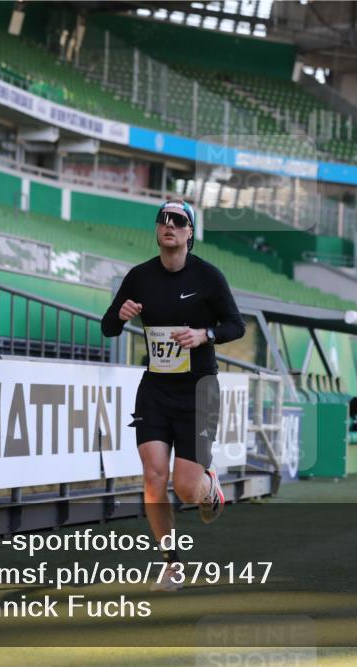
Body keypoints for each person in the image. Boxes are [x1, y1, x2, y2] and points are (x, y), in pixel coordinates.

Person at [101, 199, 245, 590]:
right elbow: (108, 327)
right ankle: (171, 563)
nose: (169, 225)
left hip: (198, 390)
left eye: (178, 221)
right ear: (156, 229)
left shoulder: (208, 277)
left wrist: (205, 334)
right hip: (156, 388)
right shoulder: (139, 276)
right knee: (153, 475)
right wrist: (120, 316)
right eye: (163, 219)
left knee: (184, 487)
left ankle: (208, 486)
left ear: (189, 232)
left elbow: (236, 325)